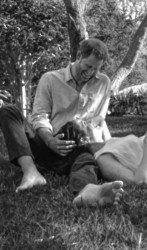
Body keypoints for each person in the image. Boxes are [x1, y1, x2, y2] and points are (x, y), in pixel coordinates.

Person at [0, 38, 123, 207]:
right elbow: (39, 116)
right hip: (46, 143)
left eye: (96, 68)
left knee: (85, 158)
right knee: (8, 111)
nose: (92, 72)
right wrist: (50, 141)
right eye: (88, 66)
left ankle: (87, 190)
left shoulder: (103, 82)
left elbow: (99, 119)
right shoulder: (50, 79)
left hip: (78, 147)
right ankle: (31, 172)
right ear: (79, 56)